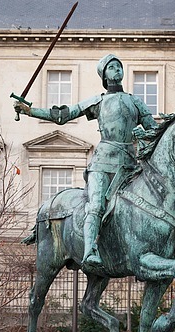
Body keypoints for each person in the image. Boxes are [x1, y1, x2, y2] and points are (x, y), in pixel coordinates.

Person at [14, 54, 158, 268]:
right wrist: (30, 111)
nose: (117, 70)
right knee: (96, 205)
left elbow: (153, 130)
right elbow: (64, 114)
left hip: (130, 165)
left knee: (157, 196)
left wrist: (141, 135)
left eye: (119, 66)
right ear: (104, 75)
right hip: (102, 163)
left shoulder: (135, 101)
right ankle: (90, 250)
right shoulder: (98, 101)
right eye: (112, 67)